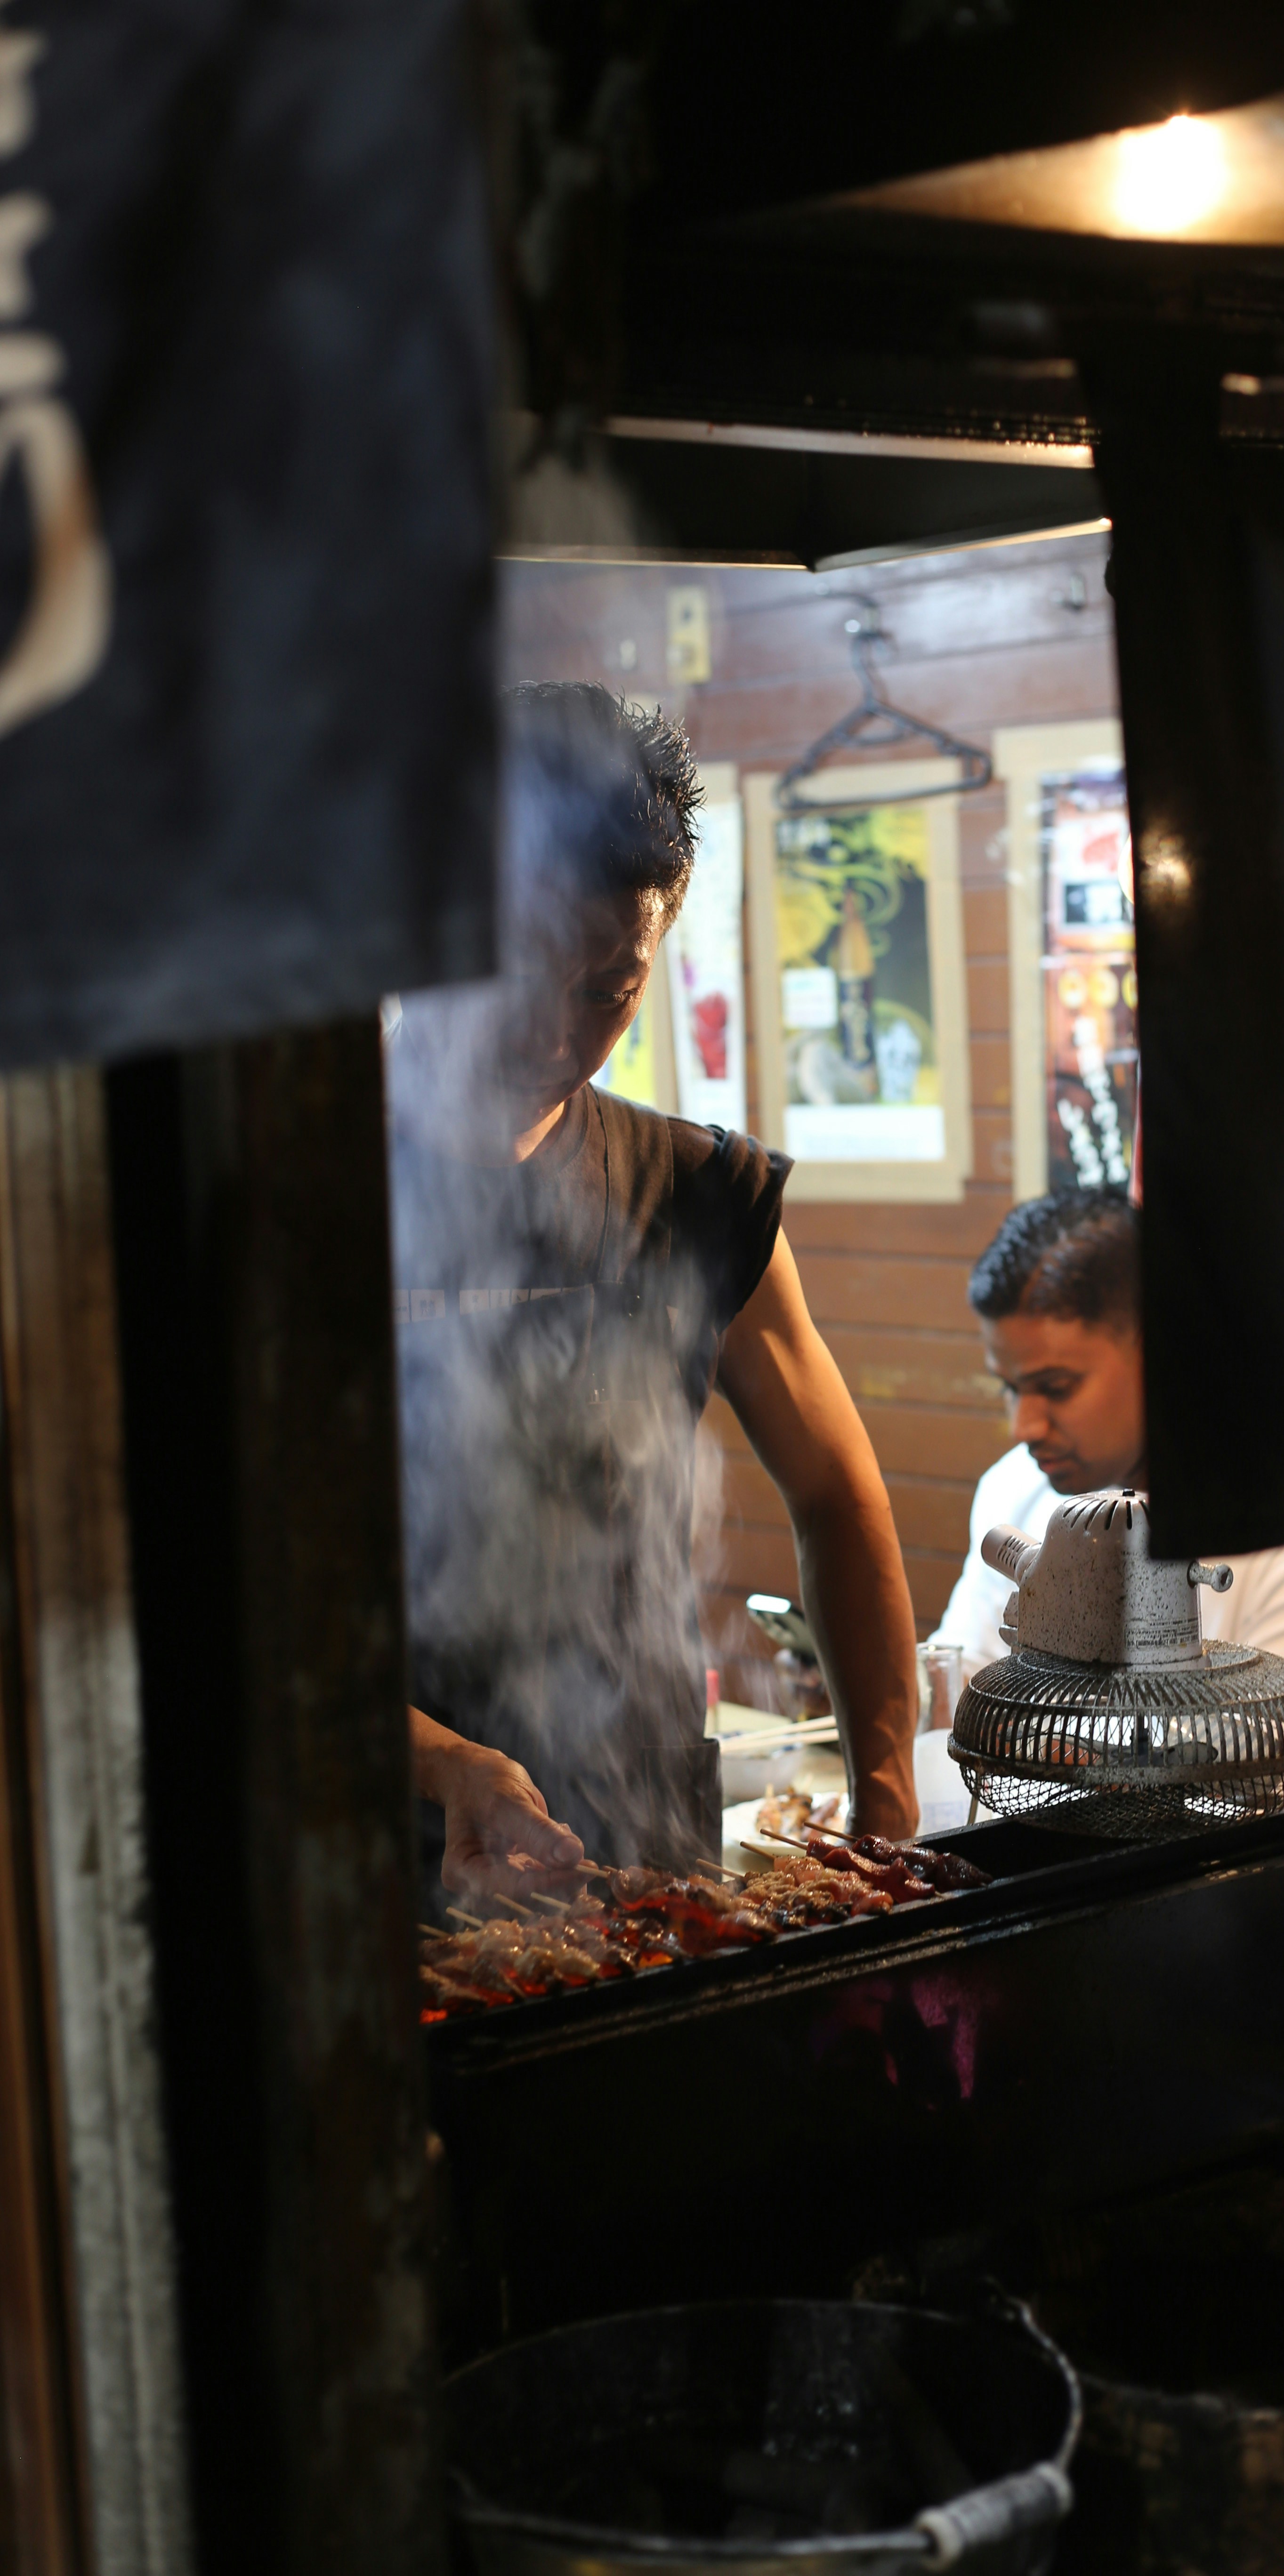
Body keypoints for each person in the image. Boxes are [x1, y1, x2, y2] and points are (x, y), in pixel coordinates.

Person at [392, 682, 919, 1903]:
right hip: (386, 1871)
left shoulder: (697, 1195)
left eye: (606, 990)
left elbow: (841, 1498)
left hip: (642, 1851)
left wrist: (886, 1803)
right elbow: (225, 1613)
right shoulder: (294, 1197)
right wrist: (449, 1764)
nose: (553, 1031)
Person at [930, 1190, 1284, 1790]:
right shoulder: (1016, 1490)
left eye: (1057, 1386)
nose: (1025, 1426)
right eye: (1010, 1388)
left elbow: (1242, 1775)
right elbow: (953, 1698)